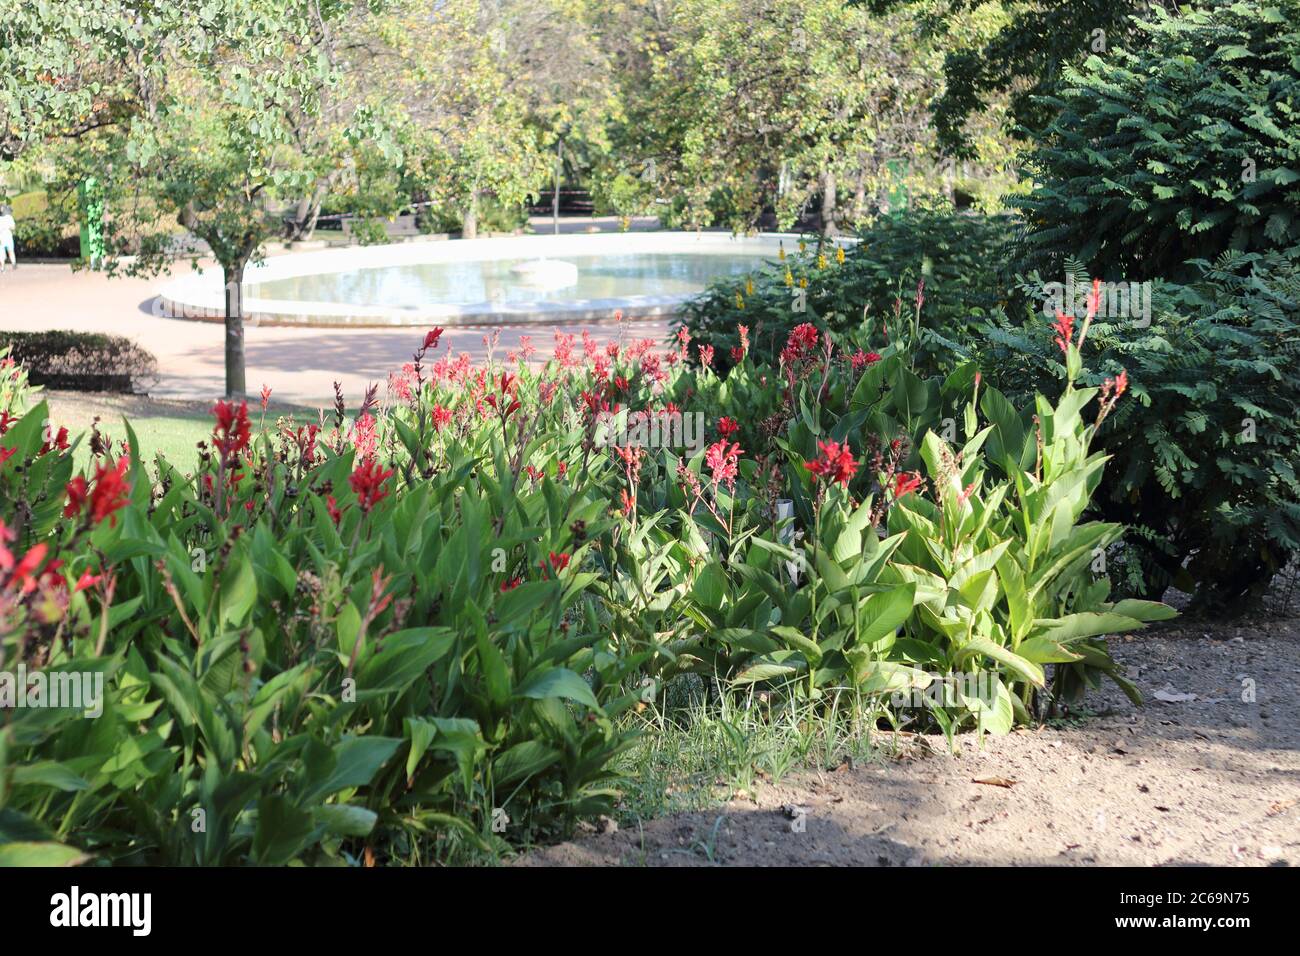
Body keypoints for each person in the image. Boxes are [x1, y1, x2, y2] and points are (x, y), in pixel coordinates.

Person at [0, 205, 16, 272]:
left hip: (6, 237)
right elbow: (13, 227)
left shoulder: (9, 217)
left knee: (10, 251)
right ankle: (4, 266)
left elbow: (13, 227)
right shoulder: (8, 217)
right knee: (4, 252)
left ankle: (12, 264)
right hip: (3, 237)